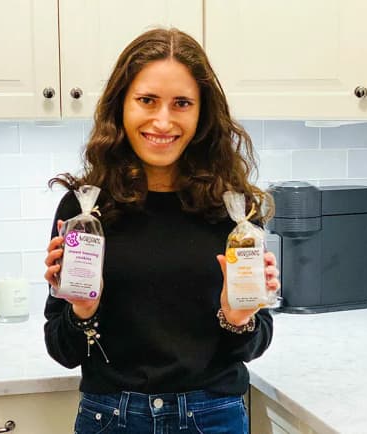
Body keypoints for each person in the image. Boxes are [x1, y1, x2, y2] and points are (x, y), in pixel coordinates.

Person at [43, 27, 279, 434]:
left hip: (212, 416)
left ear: (202, 113)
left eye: (182, 103)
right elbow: (62, 350)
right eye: (147, 100)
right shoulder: (86, 210)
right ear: (121, 105)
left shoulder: (234, 213)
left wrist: (237, 317)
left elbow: (253, 345)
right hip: (110, 417)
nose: (163, 120)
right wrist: (82, 310)